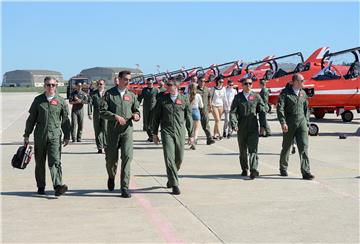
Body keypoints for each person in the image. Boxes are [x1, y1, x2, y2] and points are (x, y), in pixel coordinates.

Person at [23, 76, 71, 196]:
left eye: (53, 85)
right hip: (40, 136)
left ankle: (58, 186)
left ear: (56, 86)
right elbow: (31, 119)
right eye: (48, 85)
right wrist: (26, 134)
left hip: (55, 136)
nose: (50, 87)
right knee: (39, 162)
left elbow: (65, 120)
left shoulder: (60, 101)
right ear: (44, 86)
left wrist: (67, 135)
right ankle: (41, 186)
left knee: (55, 161)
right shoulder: (38, 100)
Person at [100, 70, 141, 198]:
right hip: (113, 131)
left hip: (127, 131)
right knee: (111, 160)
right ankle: (111, 176)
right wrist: (115, 116)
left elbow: (137, 110)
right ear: (119, 79)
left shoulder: (132, 95)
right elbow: (102, 111)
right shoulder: (109, 94)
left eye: (129, 80)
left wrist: (137, 116)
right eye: (125, 79)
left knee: (127, 158)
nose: (128, 82)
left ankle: (124, 187)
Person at [152, 77, 194, 195]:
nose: (167, 86)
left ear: (176, 86)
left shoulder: (184, 99)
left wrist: (191, 135)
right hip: (167, 131)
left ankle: (171, 178)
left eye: (169, 85)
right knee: (169, 158)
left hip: (180, 131)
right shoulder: (162, 100)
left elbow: (189, 117)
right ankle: (175, 184)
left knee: (179, 158)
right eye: (167, 85)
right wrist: (154, 134)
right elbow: (156, 118)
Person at [277, 73, 315, 180]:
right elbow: (280, 109)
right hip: (289, 123)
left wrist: (307, 123)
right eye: (302, 81)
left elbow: (306, 109)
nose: (303, 82)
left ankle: (306, 171)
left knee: (304, 147)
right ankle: (283, 168)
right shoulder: (285, 93)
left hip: (302, 123)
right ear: (295, 82)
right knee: (287, 146)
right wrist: (283, 122)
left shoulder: (303, 93)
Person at [230, 78, 266, 179]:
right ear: (242, 85)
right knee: (242, 151)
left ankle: (253, 170)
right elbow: (232, 112)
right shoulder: (238, 97)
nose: (248, 85)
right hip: (241, 127)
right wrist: (234, 123)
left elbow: (262, 111)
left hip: (253, 126)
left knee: (253, 149)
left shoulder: (256, 96)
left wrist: (263, 125)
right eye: (246, 84)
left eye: (250, 83)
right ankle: (244, 168)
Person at [88, 79, 107, 153]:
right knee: (97, 131)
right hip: (97, 114)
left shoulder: (107, 93)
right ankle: (99, 147)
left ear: (104, 85)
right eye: (98, 84)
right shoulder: (93, 93)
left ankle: (106, 146)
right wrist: (89, 113)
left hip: (106, 114)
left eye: (101, 84)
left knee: (105, 130)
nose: (100, 85)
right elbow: (90, 103)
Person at [138, 77, 159, 141]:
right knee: (146, 123)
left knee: (152, 123)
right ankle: (150, 136)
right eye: (148, 83)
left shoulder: (156, 90)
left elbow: (159, 99)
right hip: (146, 109)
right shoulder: (144, 90)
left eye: (150, 83)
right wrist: (136, 105)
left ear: (153, 83)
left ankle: (152, 136)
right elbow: (140, 98)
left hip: (154, 109)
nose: (149, 84)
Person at [197, 76, 215, 145]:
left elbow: (209, 97)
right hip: (196, 110)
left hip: (204, 110)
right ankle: (193, 139)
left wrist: (210, 105)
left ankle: (209, 138)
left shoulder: (206, 89)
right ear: (198, 81)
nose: (202, 82)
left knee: (206, 124)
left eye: (204, 81)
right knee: (194, 125)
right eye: (201, 81)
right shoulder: (195, 89)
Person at [188, 83, 203, 149]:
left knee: (190, 128)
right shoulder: (198, 95)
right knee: (196, 129)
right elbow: (201, 105)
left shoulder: (186, 95)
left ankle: (191, 140)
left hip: (189, 112)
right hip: (196, 111)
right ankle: (195, 140)